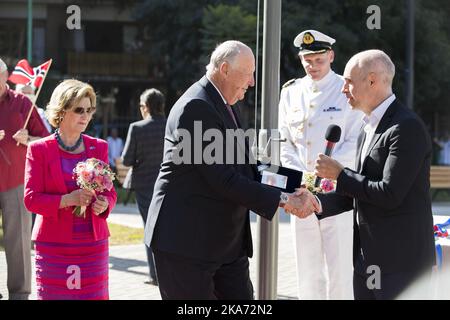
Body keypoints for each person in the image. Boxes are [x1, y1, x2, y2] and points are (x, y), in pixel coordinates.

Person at [144, 40, 318, 300]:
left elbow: (247, 166)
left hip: (225, 246)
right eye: (248, 74)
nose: (252, 82)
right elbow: (224, 179)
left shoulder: (226, 102)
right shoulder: (196, 107)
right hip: (187, 244)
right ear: (224, 69)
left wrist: (299, 184)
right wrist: (284, 201)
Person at [313, 49, 436, 300]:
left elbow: (389, 194)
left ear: (371, 80)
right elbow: (361, 192)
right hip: (368, 260)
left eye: (348, 82)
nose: (343, 89)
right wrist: (315, 203)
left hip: (401, 265)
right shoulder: (367, 127)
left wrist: (340, 174)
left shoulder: (405, 126)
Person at [278, 30, 362, 300]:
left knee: (340, 272)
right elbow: (284, 142)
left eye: (318, 60)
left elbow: (354, 141)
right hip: (301, 193)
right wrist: (301, 182)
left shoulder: (346, 91)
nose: (312, 66)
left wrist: (327, 175)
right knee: (307, 270)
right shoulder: (291, 92)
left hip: (337, 192)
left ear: (331, 56)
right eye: (307, 60)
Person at [23, 79, 117, 300]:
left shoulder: (99, 146)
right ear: (61, 110)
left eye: (89, 110)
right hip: (54, 244)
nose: (85, 115)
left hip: (92, 244)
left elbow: (110, 192)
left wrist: (105, 204)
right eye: (78, 110)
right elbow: (30, 199)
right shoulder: (39, 149)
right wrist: (68, 200)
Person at [0, 57, 50, 300]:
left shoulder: (22, 103)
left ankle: (19, 293)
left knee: (18, 240)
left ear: (5, 76)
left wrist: (27, 138)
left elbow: (46, 139)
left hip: (15, 181)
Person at [121, 88, 167, 286]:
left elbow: (127, 159)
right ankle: (167, 273)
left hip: (145, 185)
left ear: (146, 107)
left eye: (141, 106)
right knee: (167, 229)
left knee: (150, 228)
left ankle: (155, 275)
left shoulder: (137, 128)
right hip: (168, 185)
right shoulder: (171, 126)